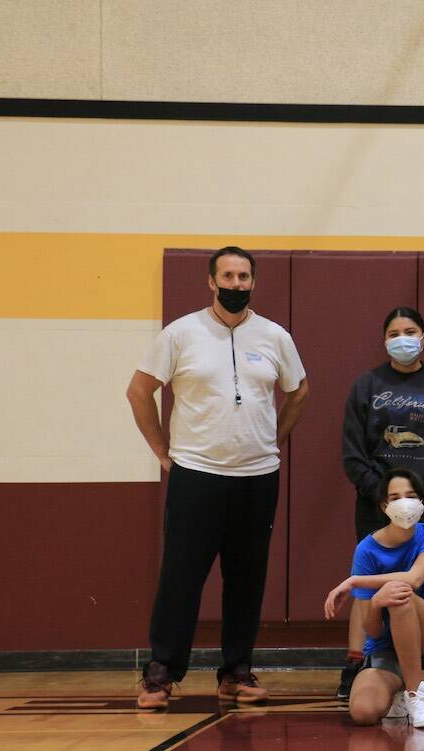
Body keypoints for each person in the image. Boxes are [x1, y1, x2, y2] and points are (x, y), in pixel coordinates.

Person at [128, 246, 309, 710]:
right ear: (211, 282)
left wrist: (273, 439)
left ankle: (236, 672)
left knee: (247, 578)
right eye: (227, 276)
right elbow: (139, 391)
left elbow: (299, 389)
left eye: (243, 276)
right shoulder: (181, 334)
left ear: (253, 282)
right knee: (181, 577)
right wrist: (161, 452)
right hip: (196, 475)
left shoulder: (274, 335)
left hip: (258, 477)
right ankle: (161, 673)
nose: (235, 283)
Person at [337, 307, 424, 699]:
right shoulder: (367, 385)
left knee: (418, 582)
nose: (402, 338)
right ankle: (357, 661)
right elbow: (354, 453)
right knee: (370, 581)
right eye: (394, 332)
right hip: (377, 503)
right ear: (384, 339)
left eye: (410, 331)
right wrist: (385, 496)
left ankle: (416, 662)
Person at [323, 469, 424, 728]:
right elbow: (372, 630)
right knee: (363, 712)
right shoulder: (366, 550)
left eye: (410, 496)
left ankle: (416, 695)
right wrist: (376, 602)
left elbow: (416, 578)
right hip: (386, 646)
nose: (404, 503)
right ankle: (399, 686)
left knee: (400, 593)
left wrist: (354, 581)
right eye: (395, 497)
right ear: (384, 506)